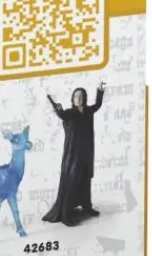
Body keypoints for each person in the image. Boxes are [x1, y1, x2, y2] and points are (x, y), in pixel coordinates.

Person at [41, 81, 106, 225]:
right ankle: (65, 215)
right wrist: (58, 109)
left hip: (86, 153)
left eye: (81, 96)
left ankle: (87, 207)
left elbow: (97, 105)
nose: (79, 98)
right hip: (73, 155)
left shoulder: (88, 111)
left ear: (84, 98)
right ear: (73, 98)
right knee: (72, 181)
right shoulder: (70, 113)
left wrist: (100, 90)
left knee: (85, 180)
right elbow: (62, 115)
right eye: (76, 96)